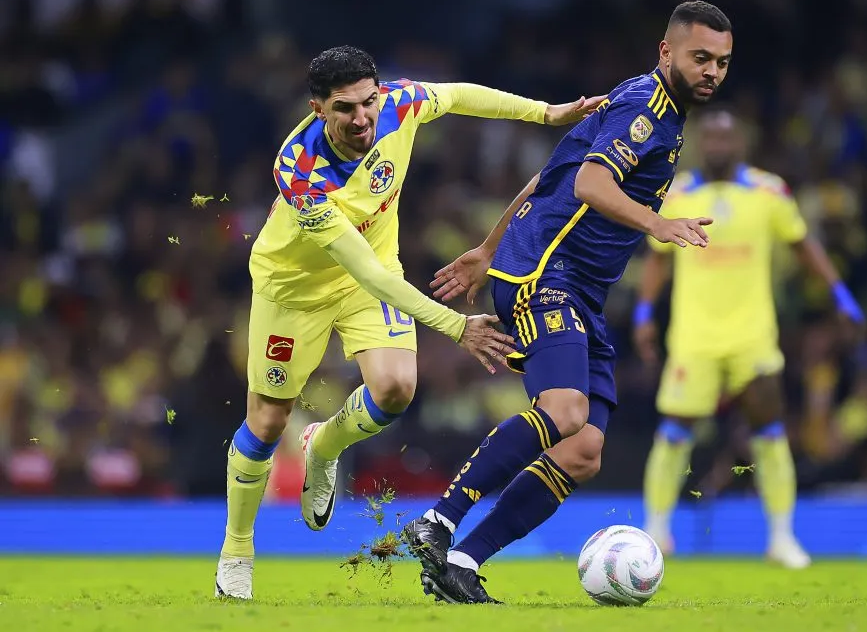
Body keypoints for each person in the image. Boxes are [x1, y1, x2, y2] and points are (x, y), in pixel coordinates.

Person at [215, 45, 605, 599]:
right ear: (318, 109)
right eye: (345, 108)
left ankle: (324, 445)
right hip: (295, 291)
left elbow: (462, 96)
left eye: (368, 102)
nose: (362, 118)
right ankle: (236, 551)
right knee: (266, 423)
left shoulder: (400, 103)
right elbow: (368, 272)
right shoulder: (299, 171)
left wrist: (545, 113)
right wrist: (456, 325)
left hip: (369, 279)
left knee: (396, 388)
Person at [401, 1, 732, 604]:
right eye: (700, 57)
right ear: (667, 52)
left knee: (582, 451)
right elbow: (588, 183)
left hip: (579, 291)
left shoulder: (657, 110)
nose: (712, 71)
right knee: (566, 409)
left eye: (722, 63)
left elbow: (550, 175)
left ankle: (461, 563)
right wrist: (657, 224)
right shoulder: (645, 108)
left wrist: (486, 248)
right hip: (546, 274)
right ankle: (438, 519)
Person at [634, 110, 865, 568]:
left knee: (770, 429)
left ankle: (781, 538)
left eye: (727, 137)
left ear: (741, 143)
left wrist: (840, 295)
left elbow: (802, 243)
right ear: (700, 143)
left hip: (752, 336)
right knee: (675, 428)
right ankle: (657, 530)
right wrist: (644, 314)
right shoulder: (677, 193)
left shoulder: (768, 191)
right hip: (694, 336)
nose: (718, 145)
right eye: (711, 138)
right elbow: (658, 258)